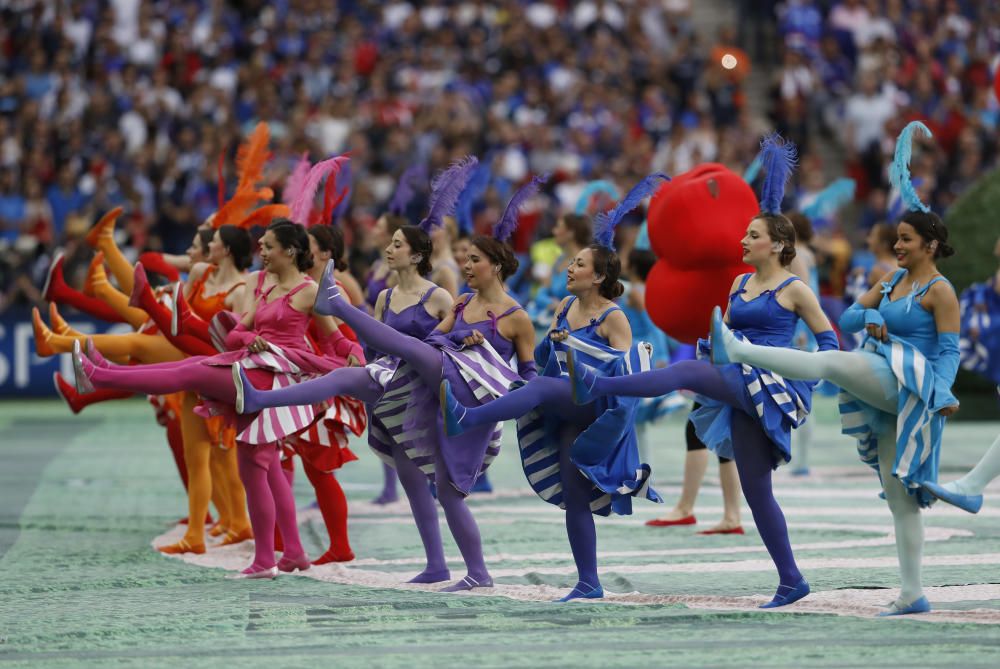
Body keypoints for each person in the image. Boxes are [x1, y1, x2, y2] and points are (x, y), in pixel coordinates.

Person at [569, 138, 837, 609]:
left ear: (776, 243)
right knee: (757, 492)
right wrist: (718, 343)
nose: (742, 240)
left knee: (684, 373)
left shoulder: (796, 289)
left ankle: (601, 383)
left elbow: (828, 341)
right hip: (739, 378)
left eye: (752, 235)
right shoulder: (738, 282)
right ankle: (792, 579)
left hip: (770, 383)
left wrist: (804, 377)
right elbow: (729, 333)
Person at [710, 122, 961, 616]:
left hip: (912, 384)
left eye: (907, 240)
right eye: (899, 239)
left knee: (826, 361)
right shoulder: (891, 282)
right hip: (881, 372)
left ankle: (739, 352)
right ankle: (914, 593)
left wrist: (944, 391)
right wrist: (869, 314)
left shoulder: (940, 291)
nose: (898, 247)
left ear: (930, 245)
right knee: (897, 495)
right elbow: (846, 317)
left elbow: (948, 351)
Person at [73, 218, 362, 579]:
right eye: (261, 245)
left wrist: (357, 354)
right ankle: (293, 553)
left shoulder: (309, 291)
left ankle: (100, 375)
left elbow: (336, 339)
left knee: (192, 370)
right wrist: (248, 340)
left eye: (269, 246)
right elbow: (239, 332)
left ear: (290, 251)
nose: (262, 251)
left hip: (275, 381)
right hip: (252, 366)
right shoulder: (260, 284)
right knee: (264, 467)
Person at [440, 175, 669, 601]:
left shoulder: (614, 316)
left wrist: (576, 346)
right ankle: (589, 582)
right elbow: (546, 357)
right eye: (572, 263)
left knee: (542, 388)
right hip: (567, 405)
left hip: (596, 407)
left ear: (598, 277)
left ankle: (469, 418)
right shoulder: (564, 306)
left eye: (579, 264)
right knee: (574, 494)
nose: (569, 268)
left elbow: (626, 366)